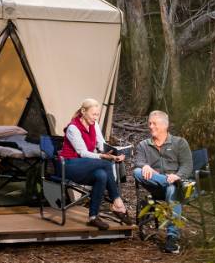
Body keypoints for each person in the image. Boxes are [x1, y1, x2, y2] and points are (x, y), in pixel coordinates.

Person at [58, 98, 131, 229]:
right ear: (83, 111)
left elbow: (101, 145)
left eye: (97, 114)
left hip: (84, 165)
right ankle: (117, 202)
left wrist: (115, 153)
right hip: (68, 165)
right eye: (93, 114)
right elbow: (82, 153)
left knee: (101, 175)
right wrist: (103, 156)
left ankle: (93, 216)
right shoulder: (73, 128)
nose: (96, 117)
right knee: (105, 164)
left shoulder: (94, 125)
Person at [132, 110, 194, 254]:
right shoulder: (143, 145)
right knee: (137, 172)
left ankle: (172, 238)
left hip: (176, 186)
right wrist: (144, 166)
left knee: (172, 189)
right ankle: (171, 183)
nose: (151, 127)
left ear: (165, 125)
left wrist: (177, 176)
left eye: (154, 124)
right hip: (156, 187)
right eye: (149, 123)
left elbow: (187, 166)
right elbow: (138, 162)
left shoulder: (179, 143)